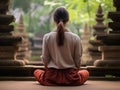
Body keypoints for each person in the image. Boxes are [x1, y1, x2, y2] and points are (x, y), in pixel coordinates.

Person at [34, 7, 89, 86]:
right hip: (71, 77)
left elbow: (45, 60)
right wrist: (74, 73)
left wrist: (50, 72)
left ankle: (50, 80)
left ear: (54, 20)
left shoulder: (47, 37)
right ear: (68, 20)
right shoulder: (76, 38)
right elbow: (78, 61)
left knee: (36, 72)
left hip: (51, 77)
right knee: (86, 72)